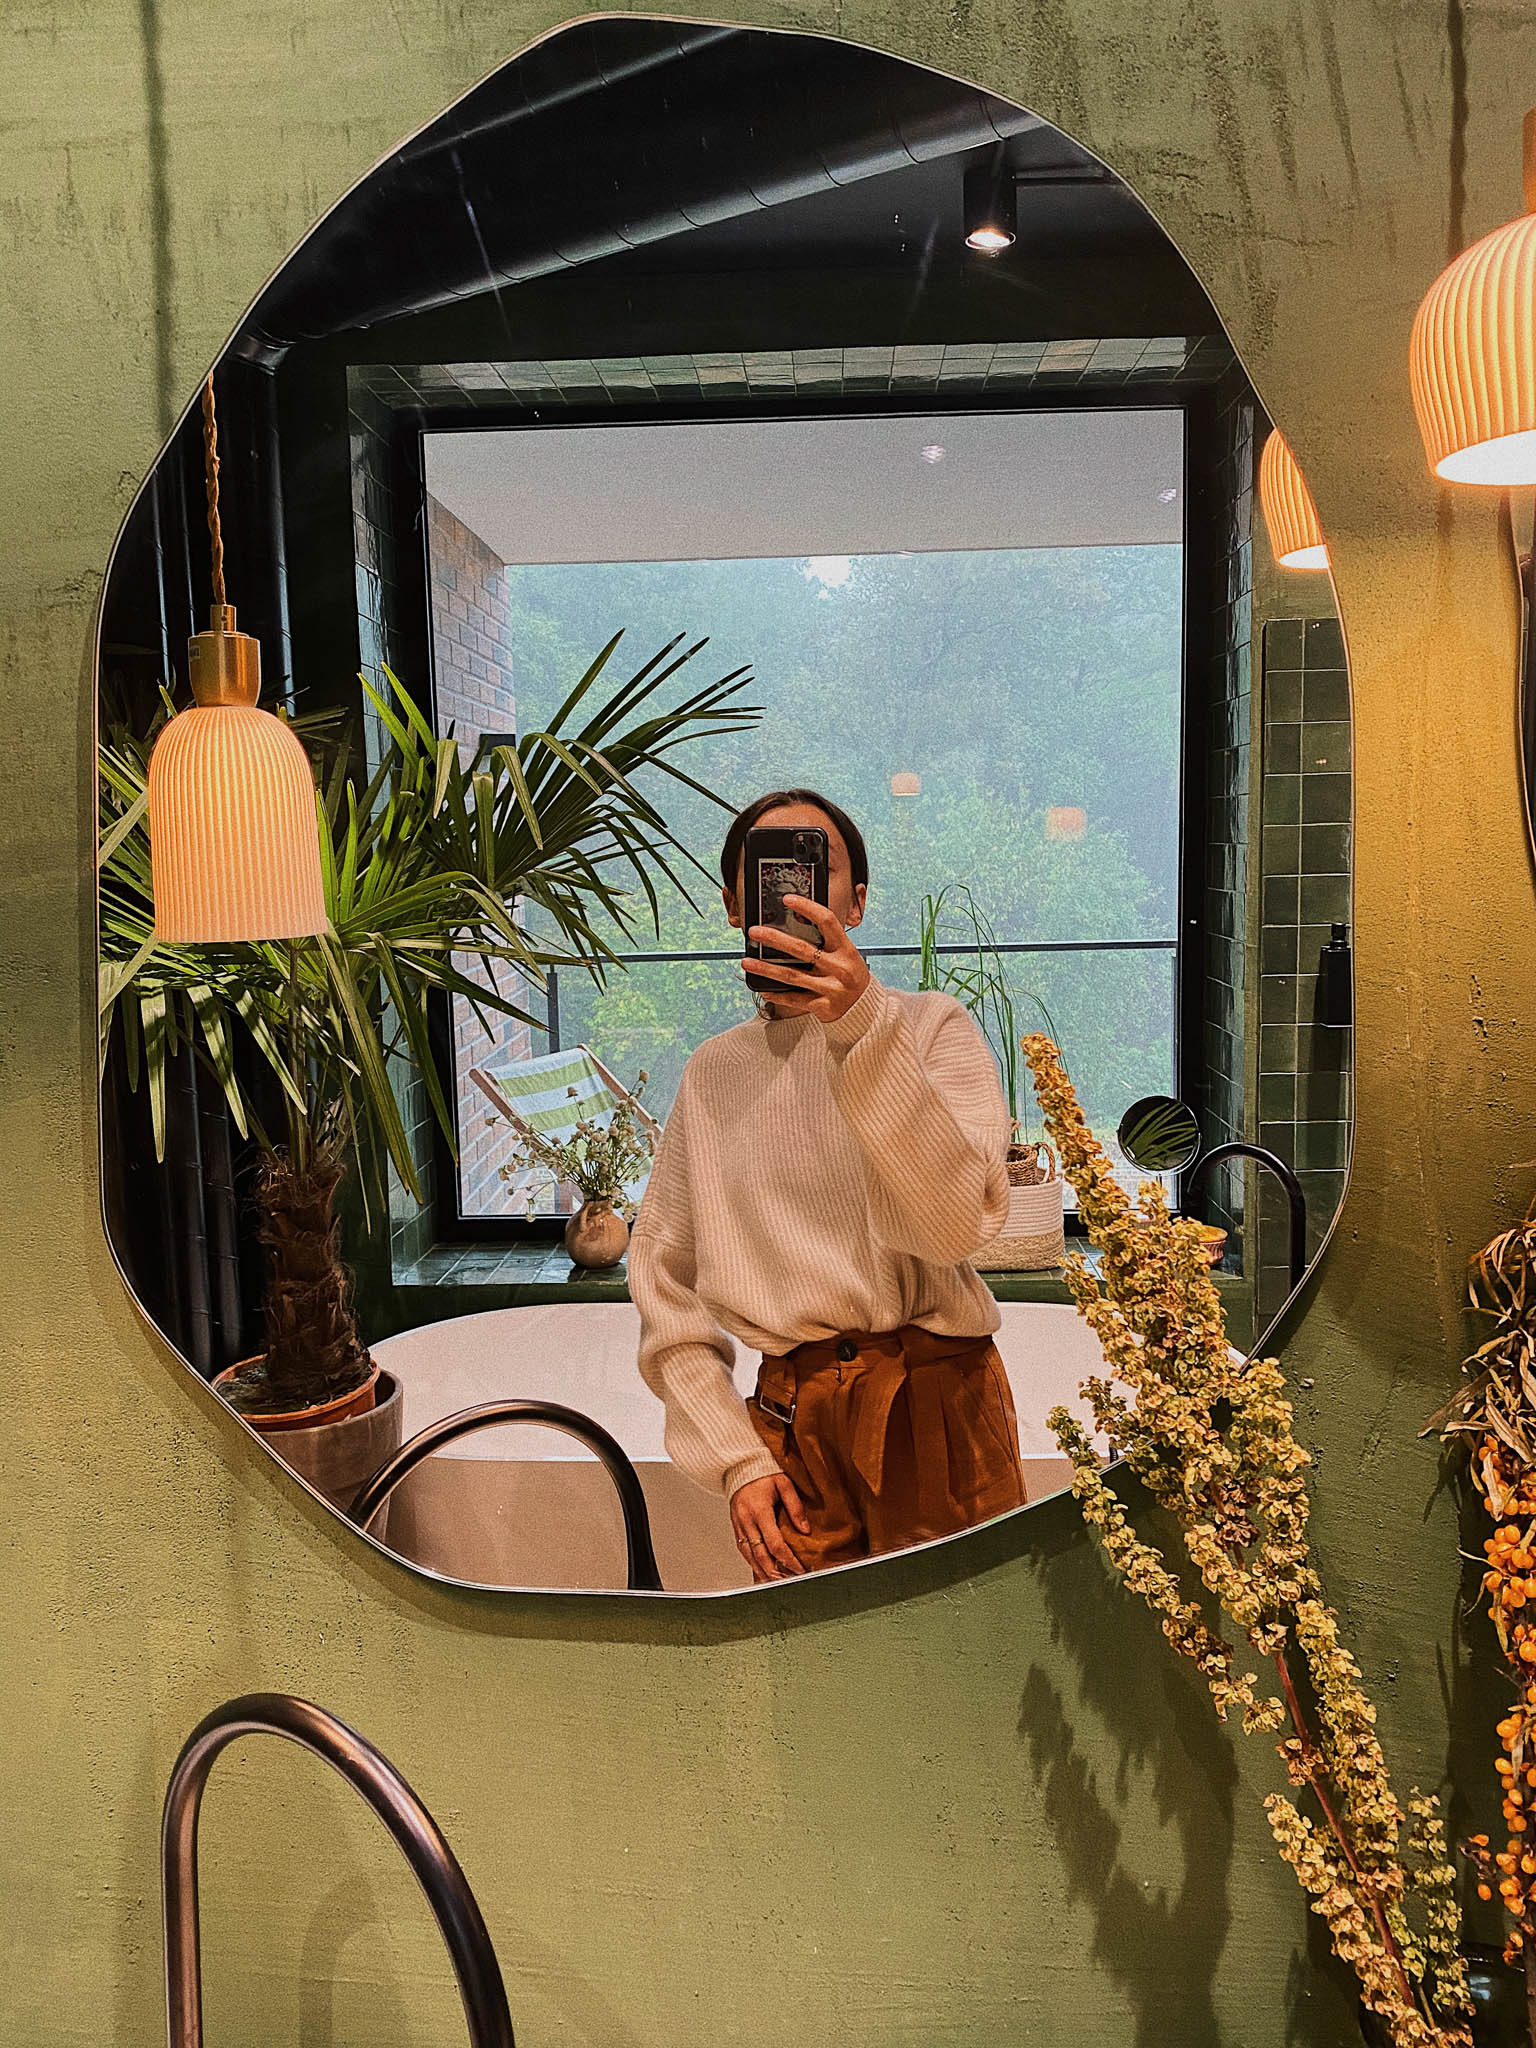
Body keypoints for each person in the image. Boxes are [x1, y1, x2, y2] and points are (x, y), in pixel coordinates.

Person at [628, 787, 1029, 1582]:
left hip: (937, 1407)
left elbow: (952, 1229)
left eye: (815, 869)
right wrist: (735, 1456)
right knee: (812, 1656)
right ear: (736, 904)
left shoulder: (930, 1029)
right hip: (790, 1430)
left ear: (856, 902)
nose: (792, 892)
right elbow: (665, 1284)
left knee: (964, 1646)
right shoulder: (715, 1073)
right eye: (767, 875)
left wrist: (860, 1031)